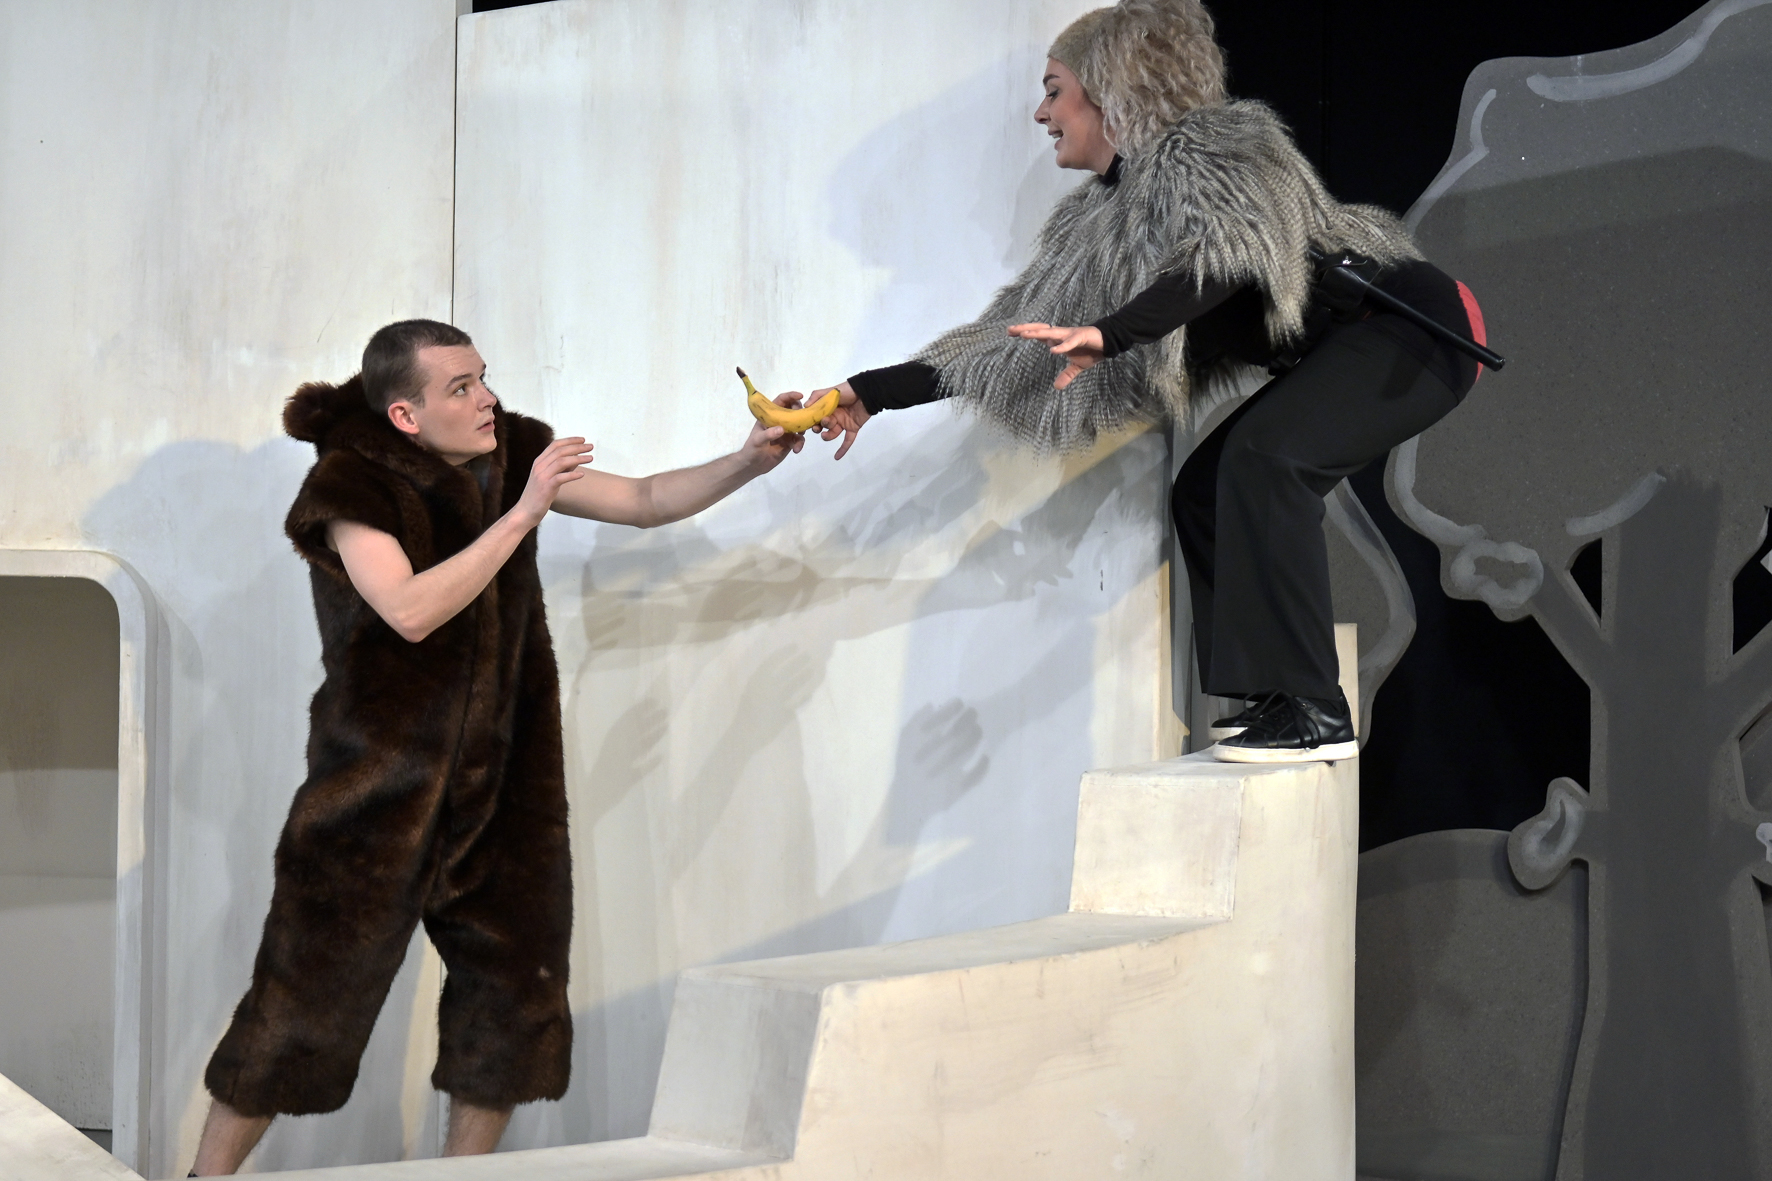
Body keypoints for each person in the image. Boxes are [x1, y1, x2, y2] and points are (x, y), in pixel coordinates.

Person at [190, 320, 803, 1175]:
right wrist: (522, 514)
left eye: (484, 377)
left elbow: (644, 500)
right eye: (461, 388)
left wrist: (747, 462)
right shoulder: (350, 484)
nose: (486, 399)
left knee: (513, 1004)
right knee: (302, 1005)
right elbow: (409, 610)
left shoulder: (511, 451)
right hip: (376, 785)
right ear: (405, 415)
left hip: (508, 781)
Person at [802, 0, 1482, 763]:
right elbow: (1008, 341)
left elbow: (1227, 253)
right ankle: (1272, 695)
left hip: (1411, 325)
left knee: (1265, 458)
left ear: (1111, 87)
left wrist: (1114, 332)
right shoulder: (1093, 227)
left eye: (1054, 90)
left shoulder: (1213, 145)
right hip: (1347, 345)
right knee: (1205, 488)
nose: (1041, 113)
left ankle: (1315, 710)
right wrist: (868, 392)